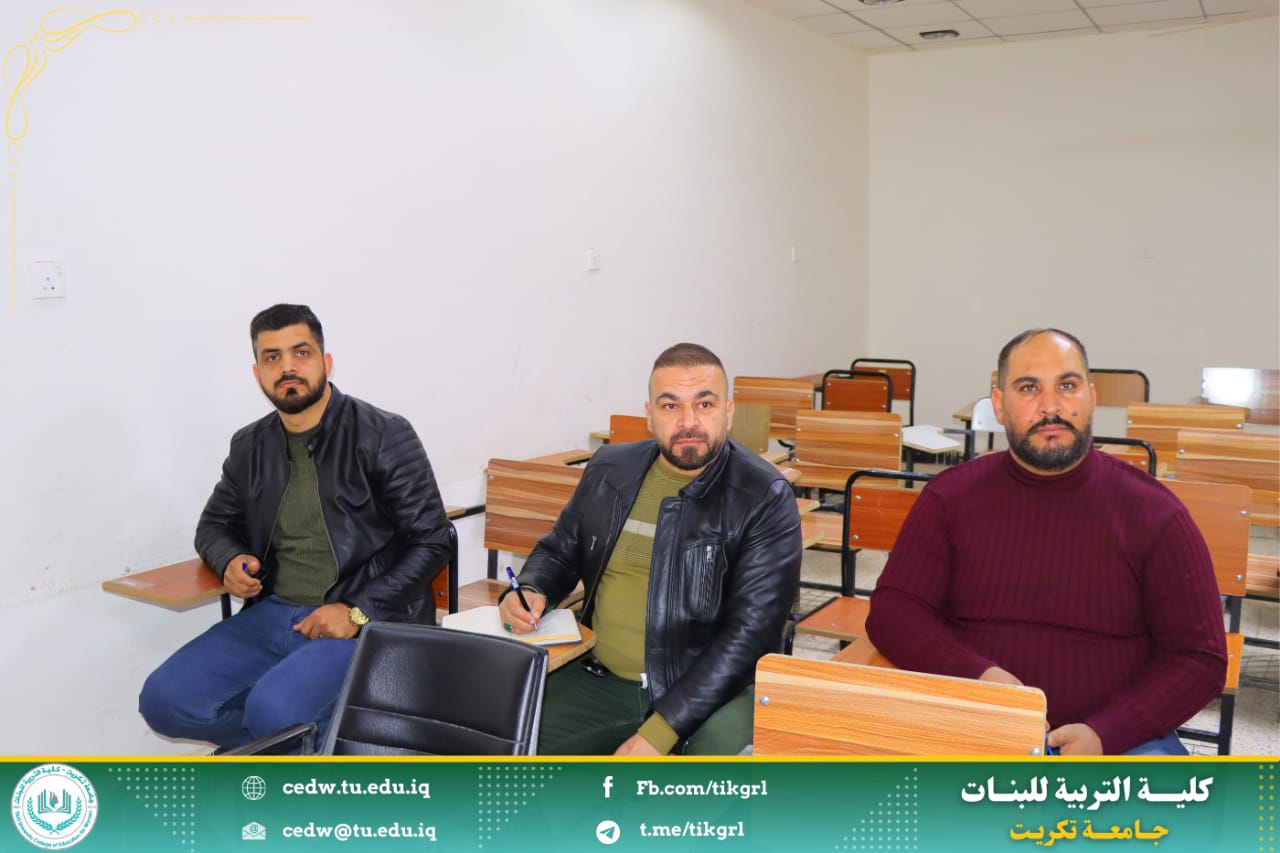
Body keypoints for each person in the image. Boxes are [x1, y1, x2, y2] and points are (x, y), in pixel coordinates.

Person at [866, 328, 1227, 755]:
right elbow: (895, 610)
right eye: (1028, 388)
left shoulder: (1156, 514)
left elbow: (1200, 656)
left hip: (1121, 740)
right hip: (976, 720)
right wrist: (977, 676)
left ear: (1091, 398)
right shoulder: (948, 499)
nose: (1051, 406)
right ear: (999, 406)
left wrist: (1106, 733)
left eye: (1067, 386)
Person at [139, 304, 452, 750]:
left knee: (274, 710)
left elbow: (432, 539)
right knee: (165, 701)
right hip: (274, 614)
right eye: (272, 357)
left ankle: (291, 749)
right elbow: (213, 525)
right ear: (258, 373)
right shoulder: (251, 445)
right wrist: (229, 559)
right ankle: (295, 747)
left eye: (301, 353)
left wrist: (356, 611)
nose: (287, 367)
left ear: (326, 362)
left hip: (365, 619)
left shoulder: (382, 433)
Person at [500, 343, 802, 755]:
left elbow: (751, 635)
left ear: (728, 411)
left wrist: (660, 732)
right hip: (602, 678)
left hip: (713, 692)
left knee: (688, 791)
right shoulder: (609, 469)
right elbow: (560, 551)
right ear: (649, 415)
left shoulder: (764, 495)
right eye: (670, 406)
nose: (689, 421)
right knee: (503, 751)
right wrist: (531, 589)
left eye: (705, 404)